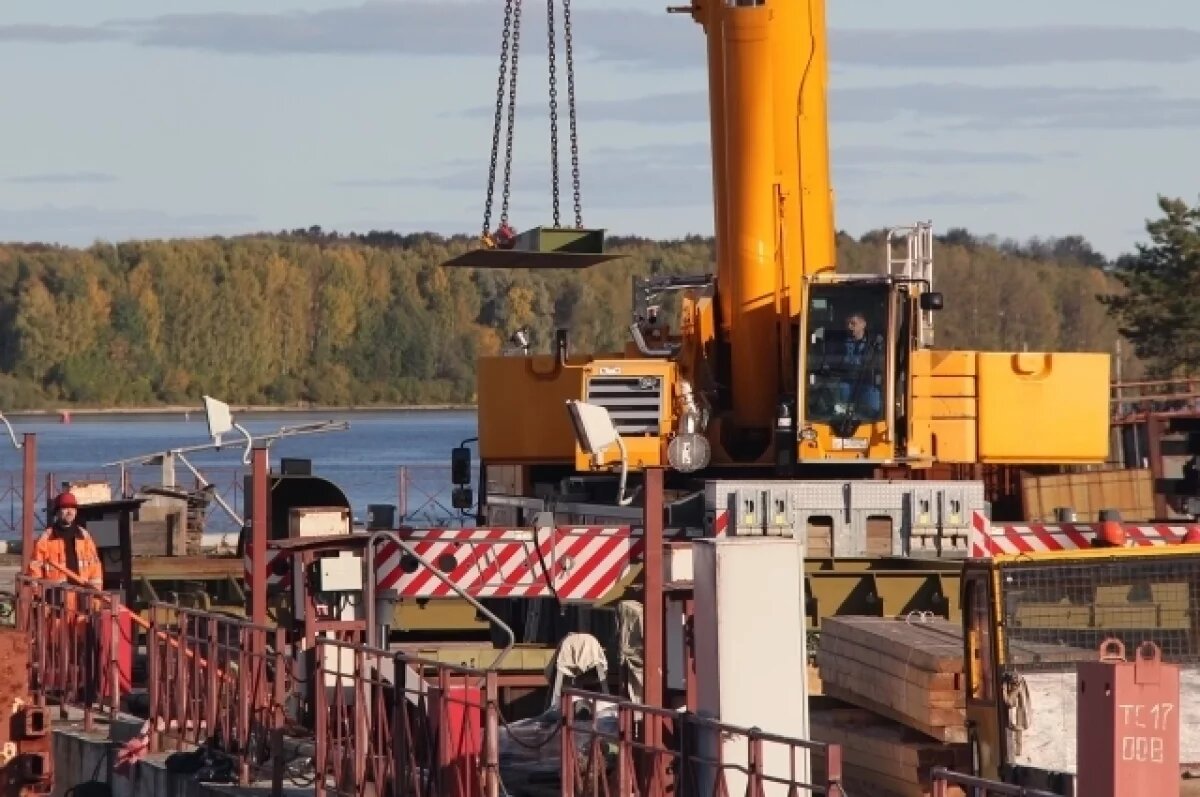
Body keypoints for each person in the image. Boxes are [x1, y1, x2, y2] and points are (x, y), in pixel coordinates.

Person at [28, 491, 104, 590]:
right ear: (57, 512)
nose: (70, 512)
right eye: (65, 508)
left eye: (73, 508)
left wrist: (96, 596)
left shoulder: (84, 536)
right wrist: (38, 596)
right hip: (56, 598)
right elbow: (35, 568)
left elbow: (95, 568)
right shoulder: (46, 538)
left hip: (83, 596)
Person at [837, 311, 882, 418]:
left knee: (872, 412)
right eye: (847, 324)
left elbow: (879, 363)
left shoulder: (875, 343)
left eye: (853, 323)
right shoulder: (841, 343)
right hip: (847, 382)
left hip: (868, 382)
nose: (849, 327)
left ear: (863, 324)